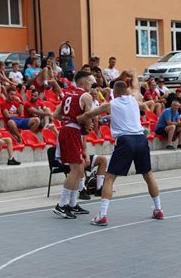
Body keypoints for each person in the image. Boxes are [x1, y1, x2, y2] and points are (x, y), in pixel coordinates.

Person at [79, 74, 164, 226]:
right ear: (126, 91)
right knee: (149, 175)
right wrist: (132, 74)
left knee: (110, 178)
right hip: (140, 139)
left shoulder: (110, 104)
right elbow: (136, 86)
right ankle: (158, 209)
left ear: (115, 93)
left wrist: (77, 120)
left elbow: (89, 114)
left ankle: (102, 215)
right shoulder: (134, 99)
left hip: (125, 141)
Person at [52, 71, 93, 219]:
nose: (91, 83)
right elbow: (88, 116)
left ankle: (73, 204)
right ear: (82, 82)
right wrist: (87, 127)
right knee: (76, 169)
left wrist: (68, 118)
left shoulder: (68, 95)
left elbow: (55, 115)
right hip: (72, 131)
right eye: (89, 80)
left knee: (79, 166)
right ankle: (61, 205)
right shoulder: (86, 96)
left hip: (66, 129)